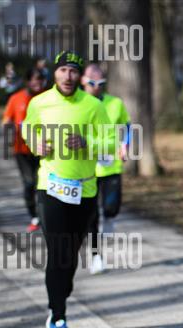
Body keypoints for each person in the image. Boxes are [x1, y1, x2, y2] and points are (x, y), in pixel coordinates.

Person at [21, 51, 113, 328]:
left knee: (70, 255)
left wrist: (87, 143)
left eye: (73, 71)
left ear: (79, 76)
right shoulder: (40, 102)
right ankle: (58, 316)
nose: (68, 76)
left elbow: (110, 142)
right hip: (50, 187)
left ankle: (61, 292)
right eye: (63, 70)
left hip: (84, 190)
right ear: (55, 73)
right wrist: (36, 144)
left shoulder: (93, 105)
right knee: (58, 251)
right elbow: (28, 129)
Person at [80, 64, 131, 275]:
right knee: (91, 215)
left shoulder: (115, 103)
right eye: (92, 82)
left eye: (101, 83)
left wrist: (125, 145)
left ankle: (109, 218)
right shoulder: (77, 104)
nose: (96, 86)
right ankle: (96, 256)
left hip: (111, 165)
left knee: (111, 208)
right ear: (83, 81)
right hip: (87, 168)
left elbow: (127, 126)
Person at [2, 67, 46, 231]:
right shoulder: (16, 98)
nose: (37, 83)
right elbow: (6, 120)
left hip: (43, 149)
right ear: (28, 81)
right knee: (29, 183)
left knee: (43, 183)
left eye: (40, 79)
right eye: (34, 79)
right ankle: (34, 216)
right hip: (22, 150)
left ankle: (44, 216)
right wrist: (11, 126)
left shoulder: (47, 98)